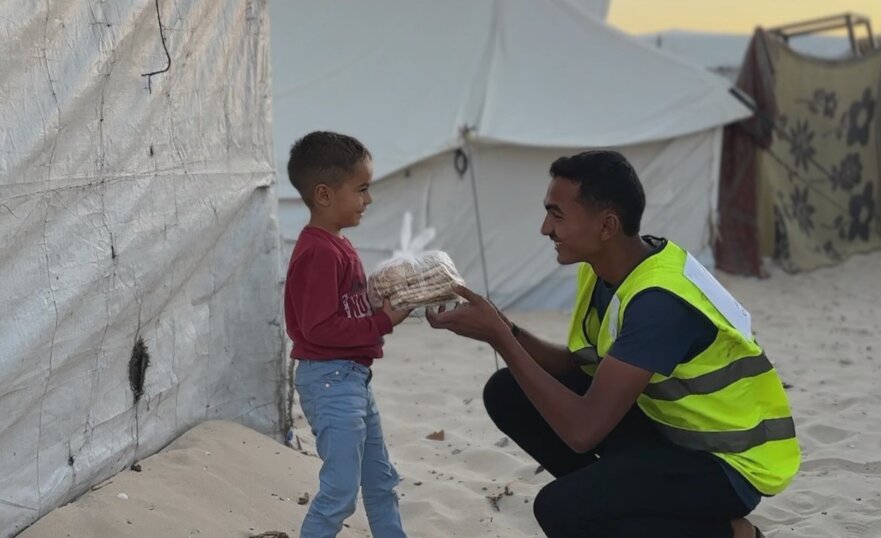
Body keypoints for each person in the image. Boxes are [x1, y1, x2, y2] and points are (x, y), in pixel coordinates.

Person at [427, 150, 799, 538]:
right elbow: (578, 367)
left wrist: (500, 339)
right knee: (507, 391)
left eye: (557, 215)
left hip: (727, 466)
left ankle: (728, 533)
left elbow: (583, 431)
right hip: (672, 433)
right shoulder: (610, 270)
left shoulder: (660, 301)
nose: (545, 229)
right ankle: (629, 508)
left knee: (560, 510)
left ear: (606, 226)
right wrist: (506, 327)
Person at [284, 131, 411, 538]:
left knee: (380, 481)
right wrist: (383, 322)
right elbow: (317, 328)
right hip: (330, 380)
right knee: (340, 491)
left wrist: (376, 302)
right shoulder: (319, 251)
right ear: (324, 195)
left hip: (352, 379)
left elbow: (340, 311)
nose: (368, 200)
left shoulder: (339, 245)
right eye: (361, 190)